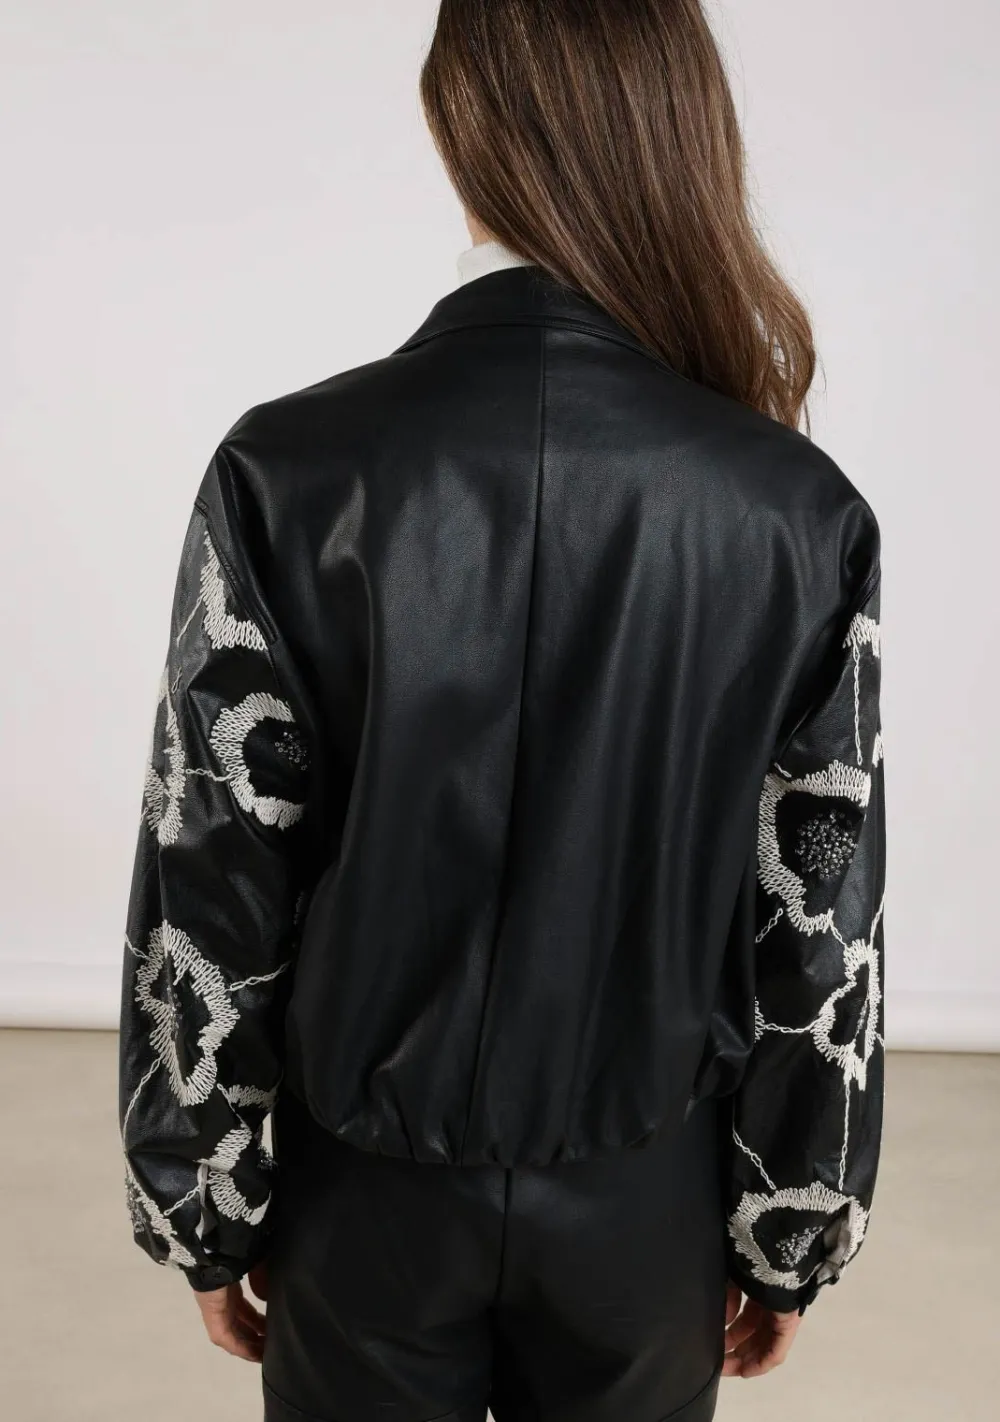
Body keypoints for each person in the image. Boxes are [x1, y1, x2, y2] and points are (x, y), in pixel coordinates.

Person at [118, 2, 885, 1419]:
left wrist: (204, 1195)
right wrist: (792, 1224)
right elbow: (819, 917)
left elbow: (214, 866)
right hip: (644, 1204)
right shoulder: (792, 511)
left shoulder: (289, 472)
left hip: (365, 1200)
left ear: (452, 124)